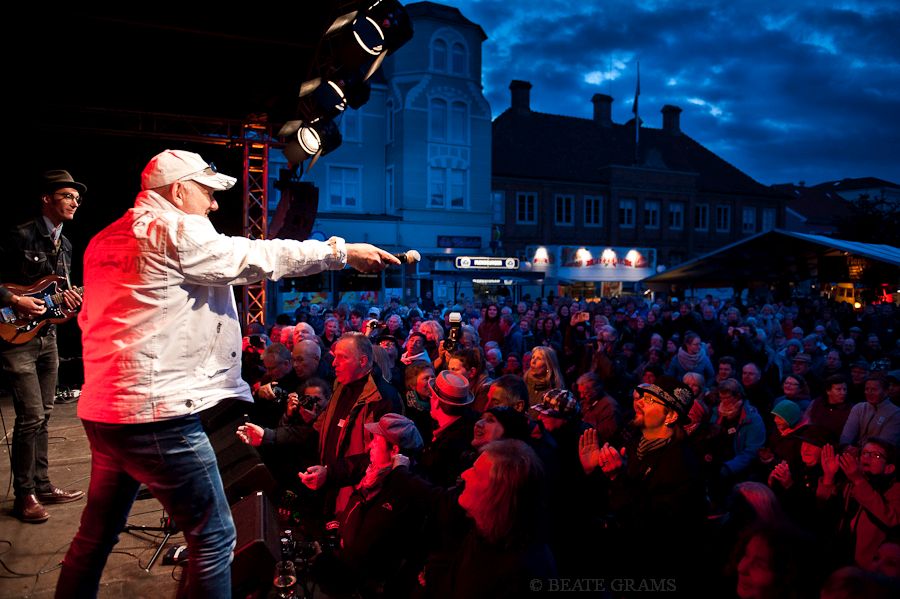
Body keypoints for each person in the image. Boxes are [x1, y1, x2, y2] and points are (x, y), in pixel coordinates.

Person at [56, 149, 399, 598]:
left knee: (95, 535)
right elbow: (257, 255)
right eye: (207, 194)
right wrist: (341, 252)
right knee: (215, 539)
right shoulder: (174, 229)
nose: (214, 206)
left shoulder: (103, 238)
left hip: (105, 412)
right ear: (178, 191)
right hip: (157, 416)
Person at [1, 170, 86, 523]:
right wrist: (16, 301)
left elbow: (53, 298)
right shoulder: (20, 234)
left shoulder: (64, 245)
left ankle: (43, 484)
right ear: (47, 198)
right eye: (67, 196)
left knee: (46, 414)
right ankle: (24, 495)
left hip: (46, 337)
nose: (74, 202)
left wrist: (68, 302)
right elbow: (17, 291)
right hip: (15, 336)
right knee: (31, 416)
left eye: (77, 199)